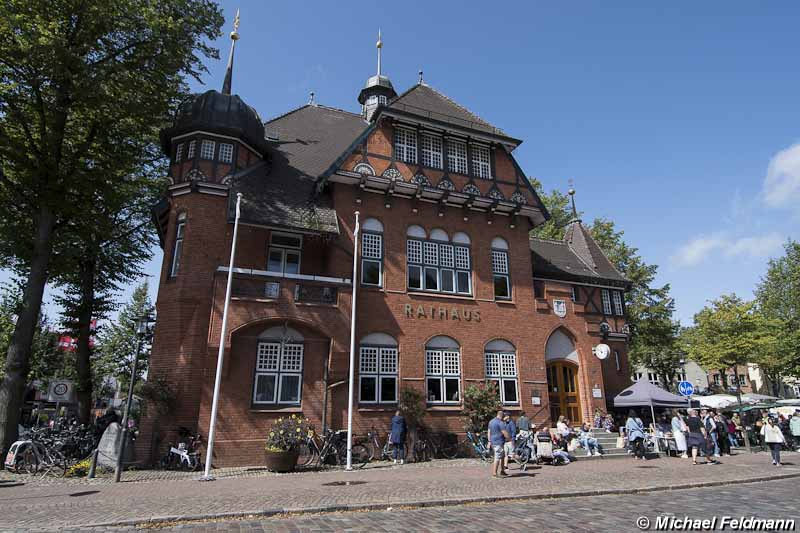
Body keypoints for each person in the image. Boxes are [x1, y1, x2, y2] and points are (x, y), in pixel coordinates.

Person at [488, 410, 510, 478]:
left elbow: (489, 432)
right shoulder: (500, 422)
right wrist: (509, 438)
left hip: (493, 441)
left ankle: (502, 471)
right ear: (502, 416)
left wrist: (489, 441)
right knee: (497, 457)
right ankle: (494, 473)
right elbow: (504, 432)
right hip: (499, 442)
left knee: (502, 456)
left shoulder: (491, 421)